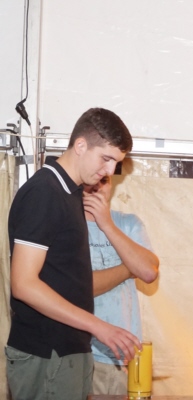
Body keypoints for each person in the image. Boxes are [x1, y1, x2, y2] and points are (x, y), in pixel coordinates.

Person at [6, 108, 141, 400]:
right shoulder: (44, 192)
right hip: (47, 352)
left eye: (116, 163)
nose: (109, 171)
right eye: (105, 159)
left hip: (69, 349)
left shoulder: (71, 193)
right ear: (80, 145)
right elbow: (24, 284)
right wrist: (99, 327)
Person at [84, 175, 160, 394]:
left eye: (104, 181)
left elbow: (148, 271)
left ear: (111, 184)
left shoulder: (128, 222)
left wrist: (106, 224)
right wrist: (130, 268)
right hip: (78, 353)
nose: (97, 187)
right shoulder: (68, 224)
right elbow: (80, 288)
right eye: (92, 181)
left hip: (121, 353)